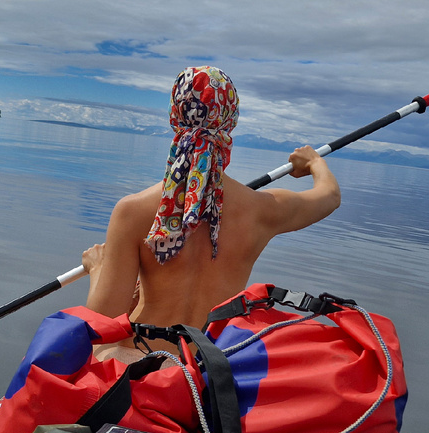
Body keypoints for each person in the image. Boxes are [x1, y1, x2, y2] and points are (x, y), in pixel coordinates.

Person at [82, 66, 340, 357]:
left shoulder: (132, 212)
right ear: (230, 121)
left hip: (139, 362)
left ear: (174, 116)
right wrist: (315, 162)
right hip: (207, 371)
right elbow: (329, 197)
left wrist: (98, 269)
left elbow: (100, 326)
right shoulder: (262, 210)